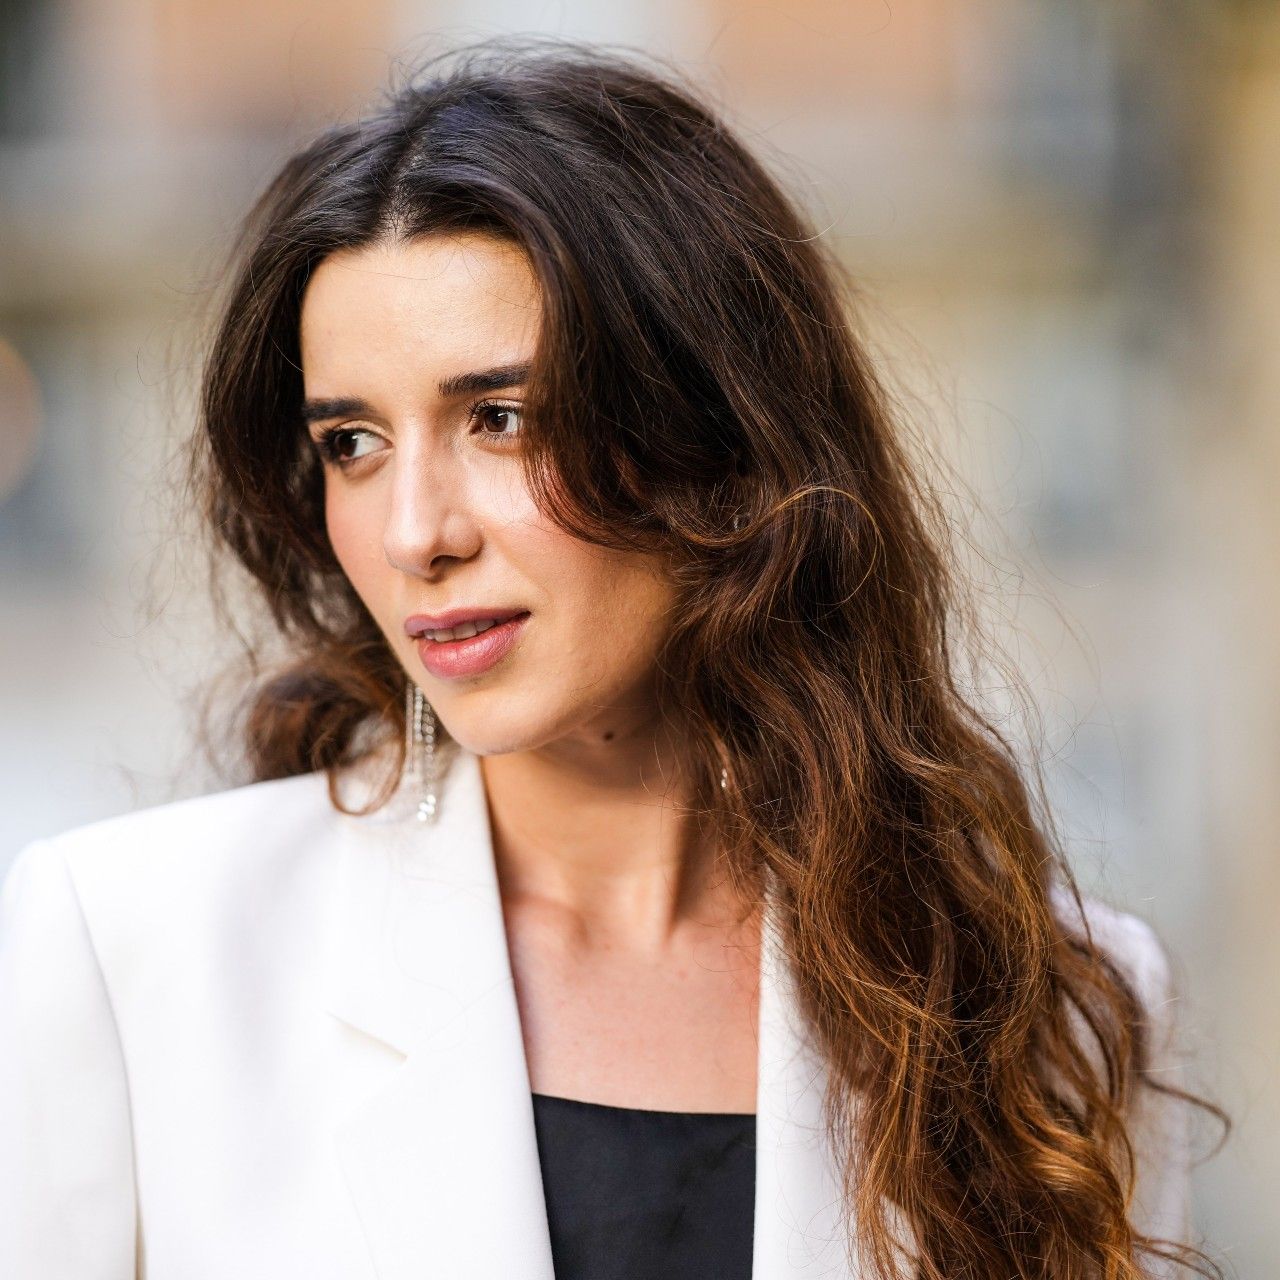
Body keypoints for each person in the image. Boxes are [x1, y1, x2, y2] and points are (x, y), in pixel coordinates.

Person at [0, 36, 1222, 1280]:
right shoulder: (134, 950)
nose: (416, 531)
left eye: (500, 418)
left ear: (718, 436)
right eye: (353, 442)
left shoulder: (1053, 1014)